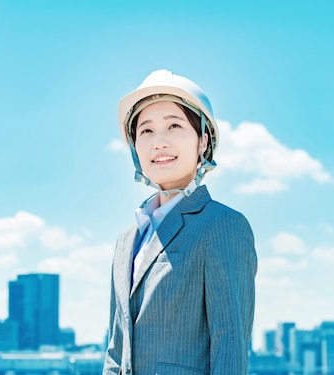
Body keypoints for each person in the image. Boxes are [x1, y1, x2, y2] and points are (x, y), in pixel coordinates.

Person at [103, 69, 258, 375]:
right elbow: (116, 351)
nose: (158, 142)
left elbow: (230, 348)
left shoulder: (222, 225)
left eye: (174, 126)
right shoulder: (127, 240)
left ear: (203, 141)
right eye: (145, 131)